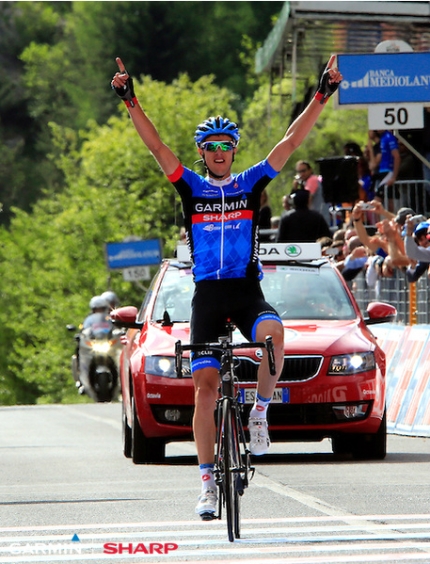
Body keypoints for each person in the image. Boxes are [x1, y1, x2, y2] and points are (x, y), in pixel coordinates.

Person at [111, 55, 342, 519]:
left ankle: (258, 413)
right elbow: (157, 148)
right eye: (210, 145)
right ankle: (206, 484)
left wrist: (322, 93)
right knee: (204, 388)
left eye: (226, 144)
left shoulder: (251, 182)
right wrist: (131, 100)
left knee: (274, 336)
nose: (218, 151)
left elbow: (291, 140)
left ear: (234, 150)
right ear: (203, 152)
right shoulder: (192, 187)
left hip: (245, 290)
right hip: (208, 297)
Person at [374, 130, 401, 212]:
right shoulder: (382, 137)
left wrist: (393, 176)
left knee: (377, 200)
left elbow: (397, 157)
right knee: (389, 199)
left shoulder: (389, 137)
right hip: (382, 171)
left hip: (388, 171)